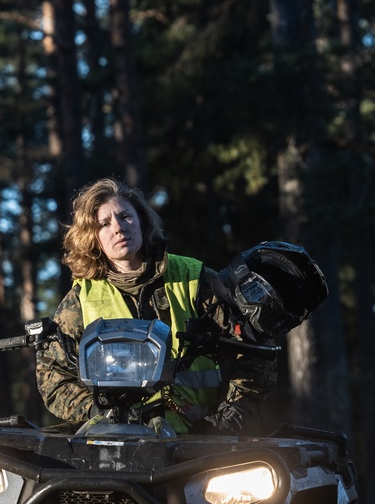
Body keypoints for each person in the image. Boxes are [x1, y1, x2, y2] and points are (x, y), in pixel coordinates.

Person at [35, 177, 277, 435]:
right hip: (114, 446)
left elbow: (255, 345)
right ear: (93, 238)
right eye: (104, 224)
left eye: (125, 216)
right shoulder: (80, 300)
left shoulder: (194, 278)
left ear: (141, 220)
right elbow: (53, 375)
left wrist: (231, 416)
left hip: (199, 442)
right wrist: (96, 413)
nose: (118, 228)